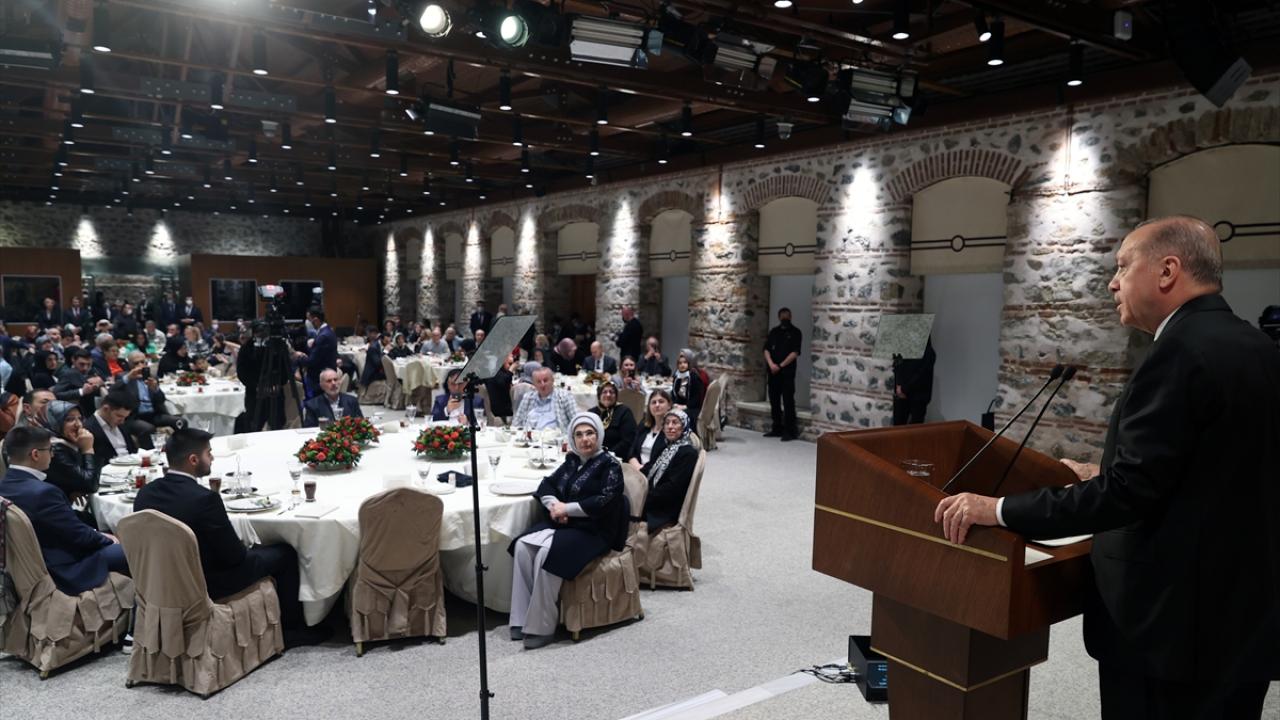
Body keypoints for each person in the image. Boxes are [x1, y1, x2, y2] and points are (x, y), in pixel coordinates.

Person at [934, 216, 1280, 720]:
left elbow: (1125, 496)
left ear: (1167, 271)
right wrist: (1105, 470)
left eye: (1122, 266)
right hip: (1241, 618)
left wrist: (998, 509)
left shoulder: (1178, 354)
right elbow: (1220, 467)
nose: (1113, 283)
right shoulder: (1258, 347)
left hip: (1171, 630)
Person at [133, 429, 317, 645]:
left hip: (158, 580)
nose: (212, 458)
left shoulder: (145, 493)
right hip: (205, 583)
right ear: (193, 460)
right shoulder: (205, 499)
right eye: (208, 453)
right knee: (284, 553)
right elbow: (234, 557)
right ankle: (291, 631)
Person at [506, 412, 627, 649]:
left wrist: (568, 509)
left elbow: (605, 500)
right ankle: (520, 617)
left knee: (547, 553)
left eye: (590, 433)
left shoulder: (610, 465)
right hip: (567, 524)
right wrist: (555, 506)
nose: (585, 439)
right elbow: (547, 485)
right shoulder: (572, 460)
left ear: (599, 435)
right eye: (579, 435)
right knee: (522, 546)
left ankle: (542, 626)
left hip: (595, 529)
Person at [0, 426, 129, 596]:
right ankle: (138, 604)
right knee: (132, 550)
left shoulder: (4, 485)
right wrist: (108, 539)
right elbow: (79, 536)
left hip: (24, 566)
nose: (52, 455)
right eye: (50, 450)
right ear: (35, 455)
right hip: (61, 569)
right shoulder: (44, 492)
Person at [640, 409, 698, 532]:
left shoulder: (688, 453)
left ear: (684, 426)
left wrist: (644, 497)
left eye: (675, 422)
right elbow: (649, 468)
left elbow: (672, 488)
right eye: (667, 423)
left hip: (664, 508)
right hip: (653, 497)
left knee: (619, 507)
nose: (670, 427)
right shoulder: (667, 446)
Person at [113, 350, 184, 446]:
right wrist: (129, 377)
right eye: (136, 363)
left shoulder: (152, 377)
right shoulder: (124, 377)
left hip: (154, 415)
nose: (140, 365)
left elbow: (161, 400)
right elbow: (113, 390)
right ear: (129, 364)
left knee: (181, 422)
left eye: (142, 362)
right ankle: (150, 453)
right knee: (147, 428)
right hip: (134, 417)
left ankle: (179, 449)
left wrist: (156, 390)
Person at [43, 400, 100, 502]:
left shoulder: (70, 442)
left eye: (80, 419)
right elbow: (91, 485)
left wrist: (72, 489)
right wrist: (88, 449)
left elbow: (91, 475)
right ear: (54, 422)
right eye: (69, 419)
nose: (78, 424)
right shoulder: (55, 449)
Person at [763, 307, 802, 441]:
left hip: (787, 373)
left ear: (790, 317)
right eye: (783, 316)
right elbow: (766, 349)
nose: (785, 318)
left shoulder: (796, 332)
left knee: (788, 401)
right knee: (774, 401)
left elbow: (795, 353)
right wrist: (771, 364)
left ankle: (790, 431)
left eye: (787, 316)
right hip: (773, 372)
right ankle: (777, 428)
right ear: (779, 317)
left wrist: (780, 365)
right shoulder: (774, 332)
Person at [512, 366, 576, 434]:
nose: (543, 385)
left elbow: (576, 420)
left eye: (545, 380)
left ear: (552, 380)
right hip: (529, 437)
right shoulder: (528, 398)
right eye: (539, 382)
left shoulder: (564, 396)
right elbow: (516, 423)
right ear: (534, 384)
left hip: (556, 437)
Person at [82, 390, 138, 468]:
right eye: (119, 416)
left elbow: (133, 450)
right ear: (106, 409)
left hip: (133, 466)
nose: (122, 421)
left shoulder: (120, 422)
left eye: (125, 417)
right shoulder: (88, 429)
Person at [295, 307, 338, 400]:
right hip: (324, 372)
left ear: (316, 320)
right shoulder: (328, 331)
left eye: (308, 319)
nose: (307, 322)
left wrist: (298, 357)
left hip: (318, 379)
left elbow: (312, 361)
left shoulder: (323, 336)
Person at [892, 337, 936, 426]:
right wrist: (898, 387)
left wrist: (903, 389)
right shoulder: (904, 348)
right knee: (898, 427)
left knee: (915, 428)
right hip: (902, 394)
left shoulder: (928, 352)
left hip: (918, 397)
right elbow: (897, 367)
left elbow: (921, 374)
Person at [627, 389, 673, 472]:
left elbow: (663, 461)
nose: (657, 405)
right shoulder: (644, 426)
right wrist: (637, 467)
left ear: (669, 405)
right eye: (653, 402)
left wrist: (642, 470)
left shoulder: (671, 431)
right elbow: (632, 451)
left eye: (661, 401)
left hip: (655, 474)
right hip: (635, 470)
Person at [52, 349, 104, 418]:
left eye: (88, 365)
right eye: (82, 364)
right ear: (73, 360)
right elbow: (56, 394)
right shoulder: (68, 374)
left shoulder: (93, 371)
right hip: (79, 413)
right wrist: (81, 391)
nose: (85, 368)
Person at [589, 382, 636, 457]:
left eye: (611, 392)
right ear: (599, 396)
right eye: (604, 392)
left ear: (616, 396)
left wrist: (607, 455)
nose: (608, 395)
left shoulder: (624, 412)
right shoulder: (591, 413)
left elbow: (628, 441)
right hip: (592, 455)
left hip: (616, 456)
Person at [671, 348, 706, 423]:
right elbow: (674, 392)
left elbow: (696, 398)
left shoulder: (693, 376)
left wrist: (686, 406)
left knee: (678, 415)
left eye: (685, 362)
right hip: (680, 404)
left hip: (692, 407)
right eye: (680, 363)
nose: (682, 365)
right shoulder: (677, 376)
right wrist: (675, 403)